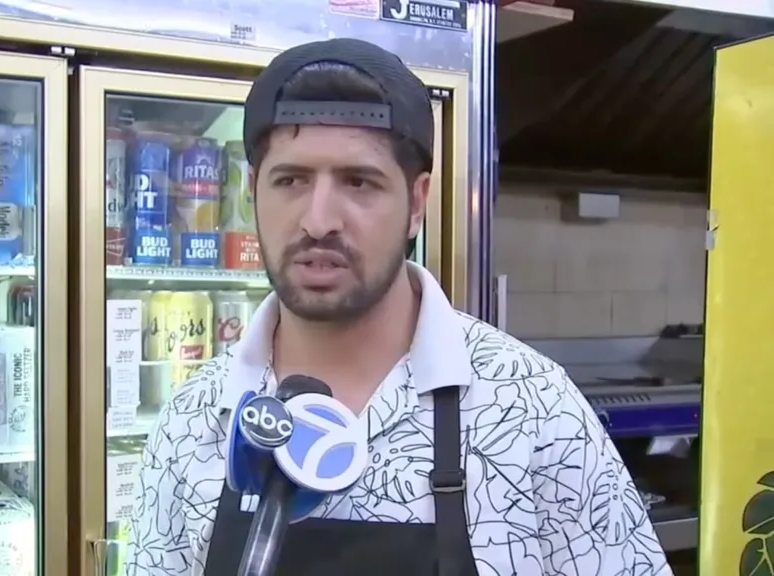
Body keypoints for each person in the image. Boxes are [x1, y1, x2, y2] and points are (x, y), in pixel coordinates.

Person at [124, 38, 672, 576]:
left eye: (359, 182)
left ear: (416, 203)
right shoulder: (192, 422)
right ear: (252, 192)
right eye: (291, 180)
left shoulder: (534, 412)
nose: (319, 220)